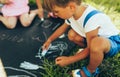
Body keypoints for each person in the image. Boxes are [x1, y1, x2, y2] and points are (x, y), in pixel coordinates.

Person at [42, 0, 120, 77]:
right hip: (93, 40)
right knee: (72, 34)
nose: (55, 15)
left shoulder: (91, 19)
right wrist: (49, 40)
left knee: (96, 44)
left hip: (111, 43)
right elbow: (62, 28)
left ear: (71, 7)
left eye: (56, 11)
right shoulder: (72, 13)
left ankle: (91, 71)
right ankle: (92, 53)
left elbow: (91, 46)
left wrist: (69, 60)